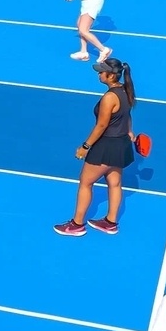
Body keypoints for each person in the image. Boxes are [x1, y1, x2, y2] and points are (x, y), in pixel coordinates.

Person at [53, 57, 135, 236]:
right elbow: (126, 115)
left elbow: (101, 126)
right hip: (121, 144)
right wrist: (129, 131)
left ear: (111, 76)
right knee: (115, 183)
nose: (99, 74)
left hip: (106, 146)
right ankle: (111, 222)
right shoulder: (126, 90)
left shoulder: (109, 98)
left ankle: (77, 225)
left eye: (101, 71)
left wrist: (85, 146)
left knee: (85, 182)